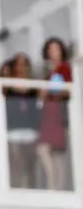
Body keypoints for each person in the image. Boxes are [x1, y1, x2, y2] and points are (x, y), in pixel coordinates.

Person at [37, 38, 71, 190]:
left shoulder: (65, 69)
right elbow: (41, 95)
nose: (52, 53)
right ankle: (54, 185)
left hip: (59, 113)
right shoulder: (47, 71)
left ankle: (57, 186)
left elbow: (67, 91)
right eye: (50, 49)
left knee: (55, 153)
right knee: (46, 150)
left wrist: (51, 90)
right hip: (49, 113)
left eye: (55, 49)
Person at [2, 55, 40, 189]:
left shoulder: (34, 85)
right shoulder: (8, 84)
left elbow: (39, 103)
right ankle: (15, 189)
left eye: (24, 64)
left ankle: (32, 190)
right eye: (18, 64)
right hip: (13, 128)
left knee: (30, 164)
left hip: (30, 128)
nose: (21, 67)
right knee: (15, 163)